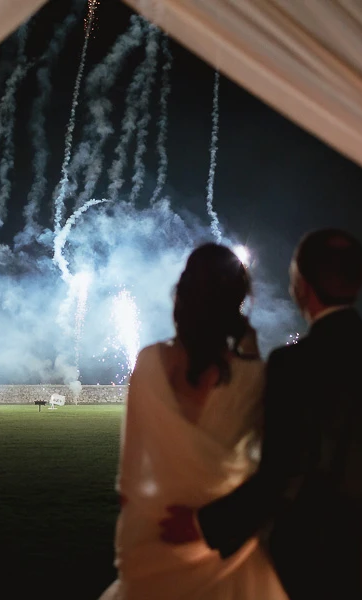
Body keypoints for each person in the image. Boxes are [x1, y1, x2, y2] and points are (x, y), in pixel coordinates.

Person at [160, 229, 362, 600]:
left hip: (320, 560)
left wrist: (203, 524)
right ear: (359, 278)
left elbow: (280, 475)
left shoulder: (291, 366)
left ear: (302, 288)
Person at [99, 243, 288, 600]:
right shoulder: (255, 374)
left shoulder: (149, 361)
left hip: (150, 538)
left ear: (182, 297)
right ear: (238, 302)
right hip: (221, 548)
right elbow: (270, 469)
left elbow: (130, 481)